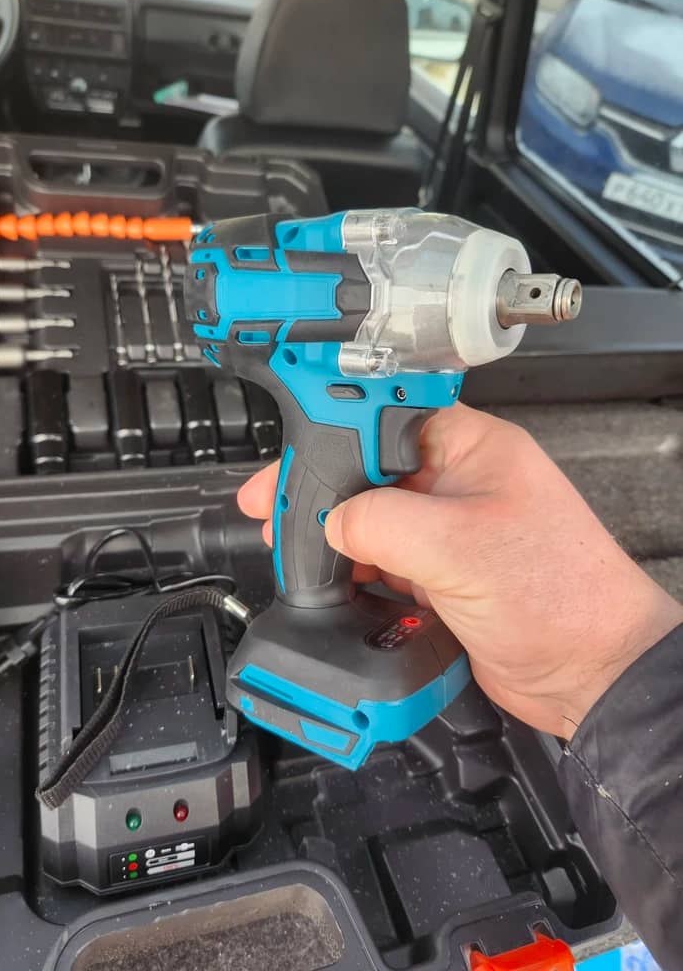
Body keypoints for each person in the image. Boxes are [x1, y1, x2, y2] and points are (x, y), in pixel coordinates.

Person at [238, 403, 683, 970]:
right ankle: (305, 613)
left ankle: (311, 606)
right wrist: (605, 666)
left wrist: (605, 659)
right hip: (312, 605)